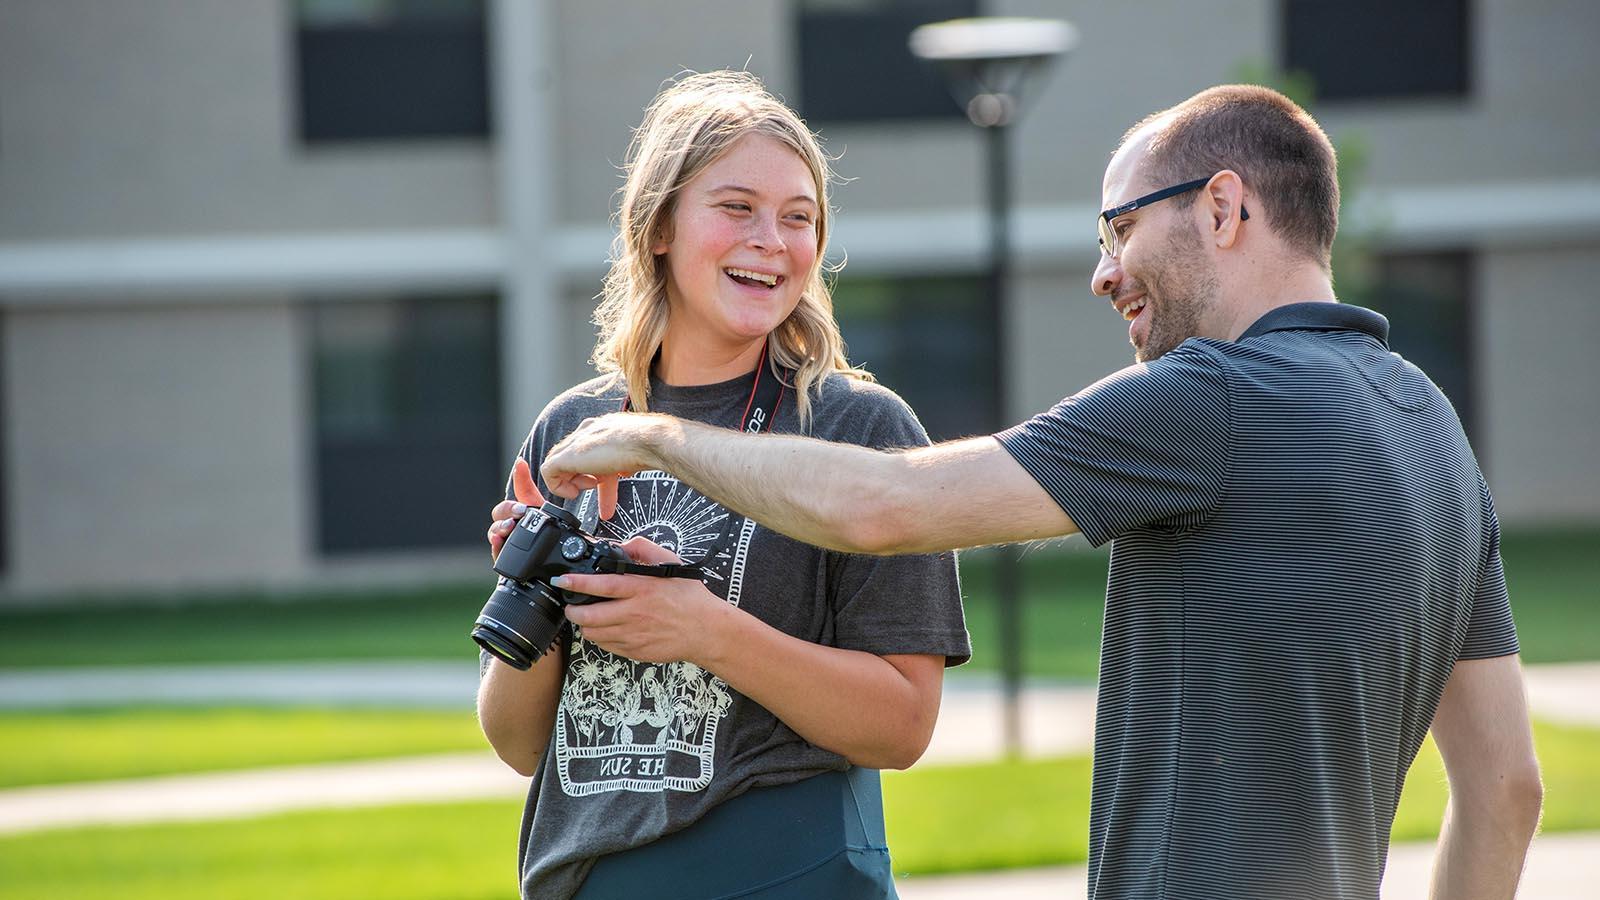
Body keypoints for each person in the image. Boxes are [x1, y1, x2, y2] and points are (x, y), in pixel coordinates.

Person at [538, 85, 1544, 900]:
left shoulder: (1211, 395)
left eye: (1120, 229)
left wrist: (652, 434)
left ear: (1224, 208)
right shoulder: (1433, 425)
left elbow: (885, 507)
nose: (1104, 274)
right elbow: (1505, 791)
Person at [476, 70, 970, 900]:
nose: (772, 240)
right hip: (584, 878)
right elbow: (521, 744)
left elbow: (904, 724)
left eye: (799, 218)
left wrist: (705, 631)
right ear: (660, 224)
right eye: (737, 208)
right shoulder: (574, 431)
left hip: (782, 872)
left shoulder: (859, 433)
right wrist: (539, 592)